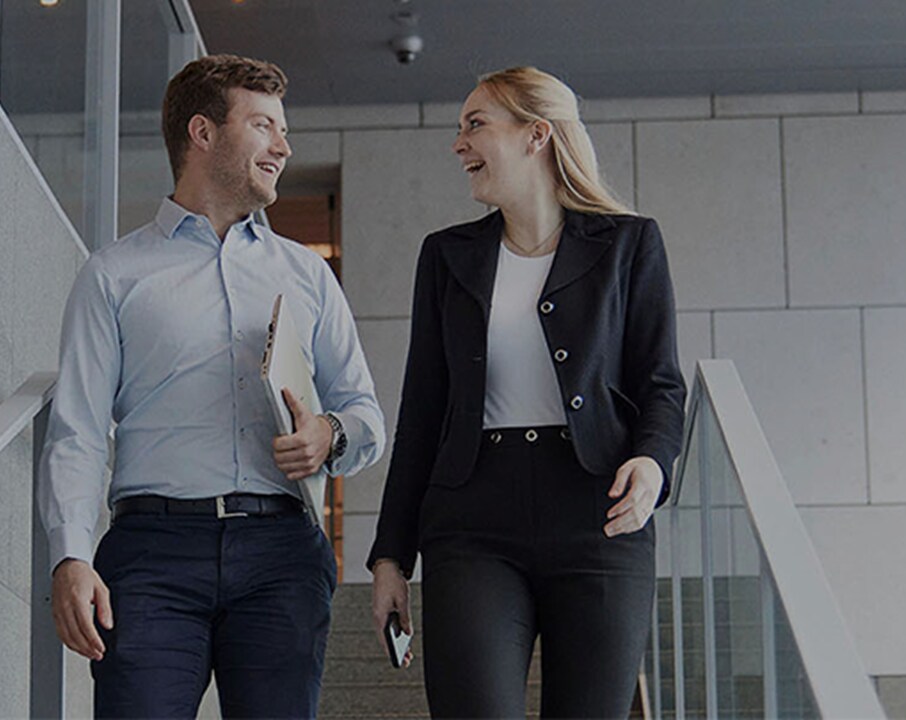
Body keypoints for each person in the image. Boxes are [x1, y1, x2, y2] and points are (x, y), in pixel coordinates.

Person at [38, 54, 384, 719]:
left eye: (283, 130)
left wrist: (328, 435)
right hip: (151, 556)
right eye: (263, 126)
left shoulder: (307, 275)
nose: (283, 147)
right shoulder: (113, 275)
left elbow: (366, 415)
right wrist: (70, 557)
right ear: (202, 133)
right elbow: (77, 430)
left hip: (282, 552)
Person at [367, 66, 685, 719]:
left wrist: (652, 462)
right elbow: (422, 412)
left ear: (536, 135)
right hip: (472, 521)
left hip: (597, 516)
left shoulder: (629, 245)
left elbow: (660, 383)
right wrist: (391, 555)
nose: (458, 143)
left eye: (475, 124)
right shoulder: (446, 256)